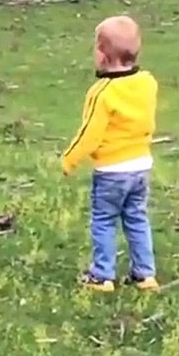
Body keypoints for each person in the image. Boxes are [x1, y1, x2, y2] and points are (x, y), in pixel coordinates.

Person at [60, 15, 160, 293]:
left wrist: (69, 159)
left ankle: (102, 275)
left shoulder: (101, 92)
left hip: (112, 171)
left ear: (103, 56)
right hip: (140, 166)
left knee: (103, 220)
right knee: (137, 217)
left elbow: (89, 134)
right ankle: (145, 274)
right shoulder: (147, 83)